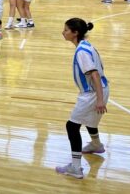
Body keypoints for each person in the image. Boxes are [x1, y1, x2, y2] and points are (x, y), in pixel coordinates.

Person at [55, 18, 108, 179]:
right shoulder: (85, 45)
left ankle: (76, 168)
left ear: (75, 33)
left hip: (92, 93)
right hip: (102, 89)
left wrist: (99, 100)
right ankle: (96, 145)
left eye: (66, 30)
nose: (63, 32)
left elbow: (94, 75)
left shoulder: (82, 52)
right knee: (89, 120)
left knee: (72, 127)